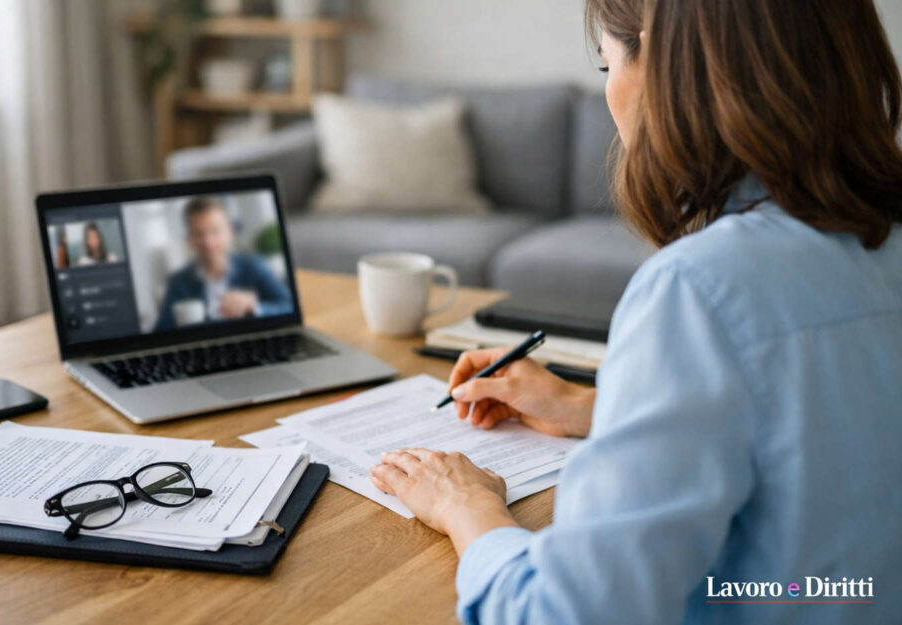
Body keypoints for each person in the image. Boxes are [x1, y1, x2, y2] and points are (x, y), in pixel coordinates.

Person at [369, 1, 902, 623]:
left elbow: (566, 614)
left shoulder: (699, 289)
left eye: (607, 66)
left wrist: (467, 507)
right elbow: (828, 432)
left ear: (663, 66)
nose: (610, 97)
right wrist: (592, 410)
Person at [154, 196, 293, 332]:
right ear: (188, 239)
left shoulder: (254, 266)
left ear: (230, 232)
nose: (208, 242)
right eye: (198, 234)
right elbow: (160, 331)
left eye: (215, 231)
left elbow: (289, 306)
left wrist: (254, 307)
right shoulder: (179, 281)